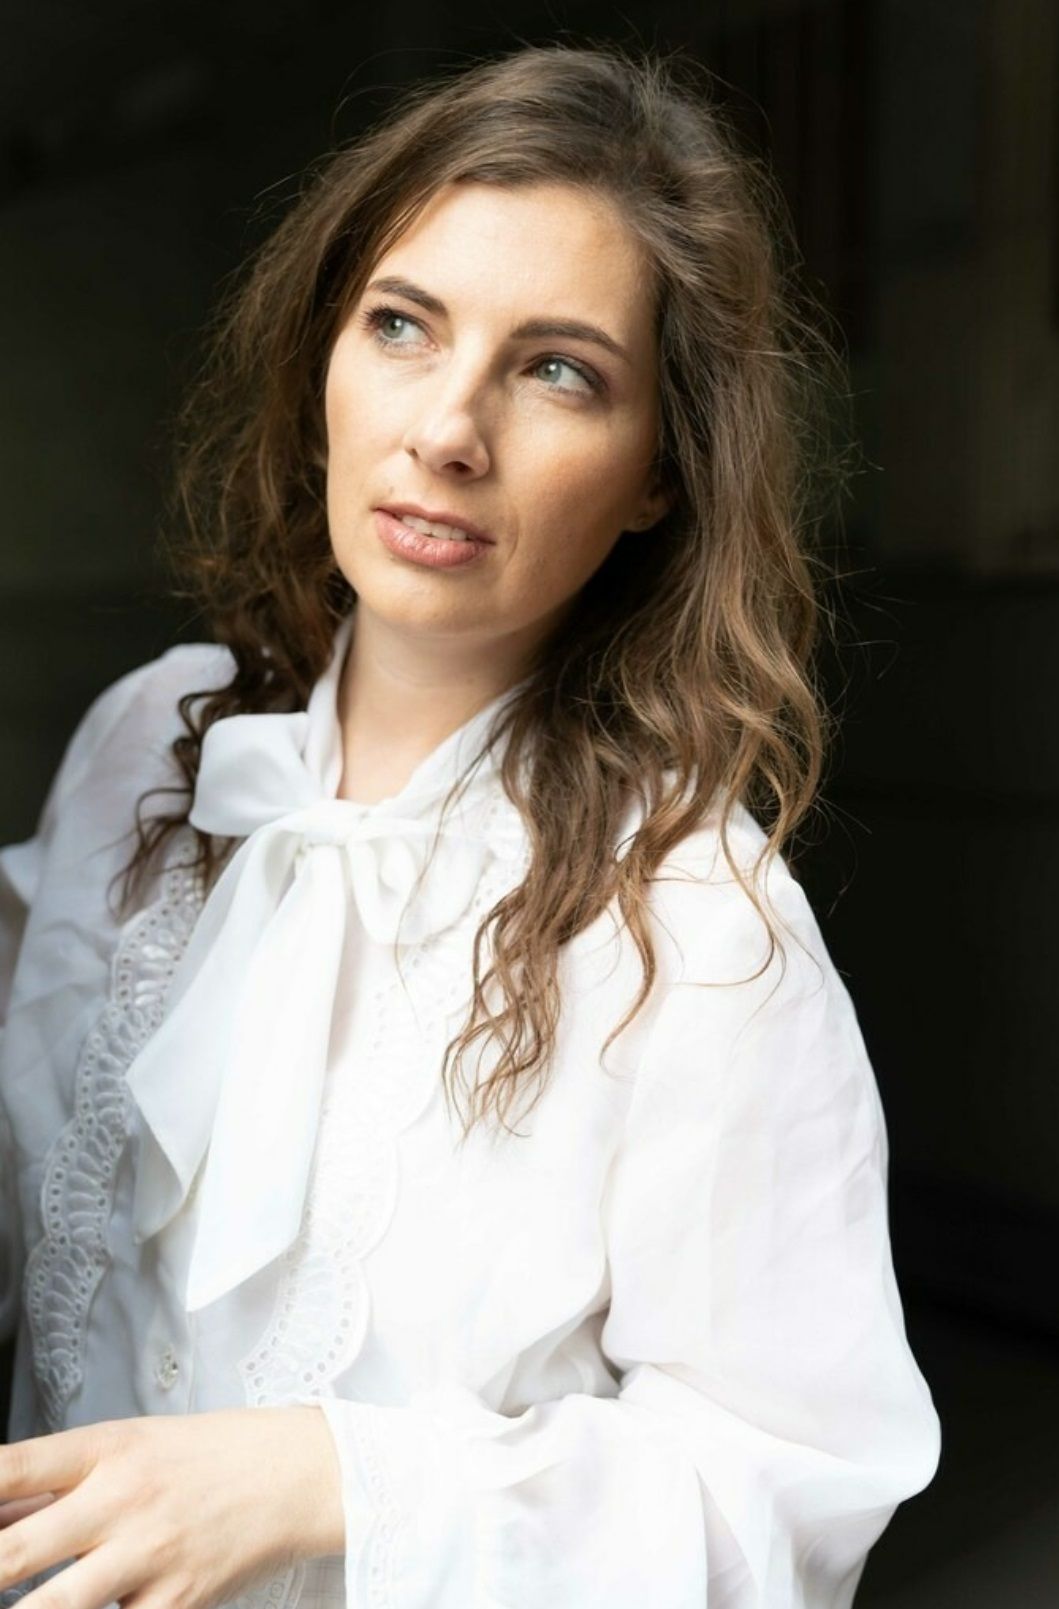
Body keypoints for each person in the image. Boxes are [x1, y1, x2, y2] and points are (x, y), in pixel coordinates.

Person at [0, 39, 940, 1609]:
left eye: (558, 369)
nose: (448, 427)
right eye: (402, 325)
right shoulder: (150, 749)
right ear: (325, 355)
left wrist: (335, 1479)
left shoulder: (698, 926)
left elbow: (781, 1499)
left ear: (657, 474)